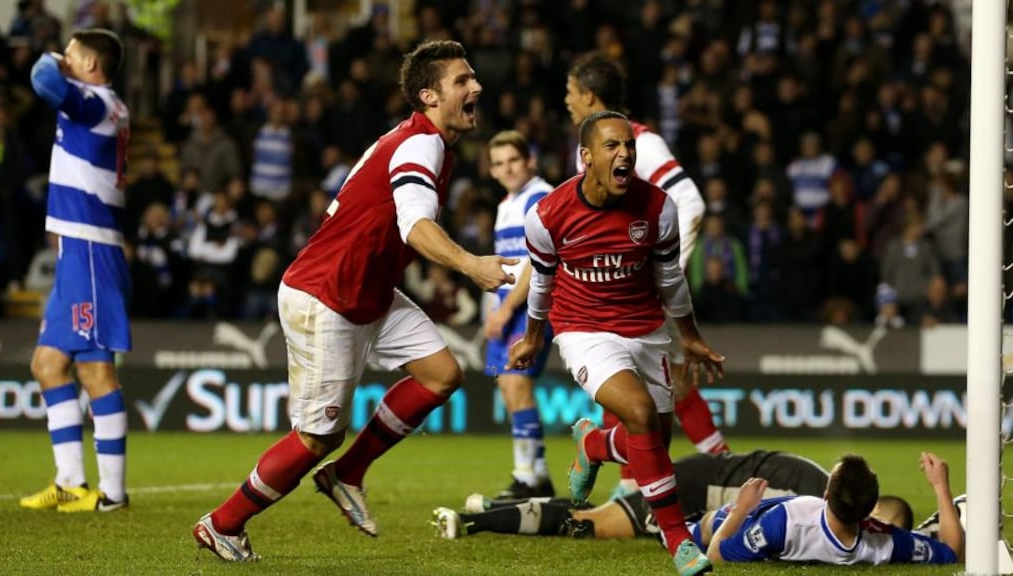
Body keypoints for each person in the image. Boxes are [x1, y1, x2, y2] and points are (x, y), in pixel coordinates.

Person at [192, 39, 517, 562]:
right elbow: (414, 226)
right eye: (463, 81)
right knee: (317, 437)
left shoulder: (427, 141)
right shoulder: (422, 145)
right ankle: (223, 524)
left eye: (473, 77)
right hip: (329, 295)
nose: (476, 86)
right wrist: (470, 264)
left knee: (441, 373)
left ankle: (348, 473)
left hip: (365, 290)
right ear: (429, 96)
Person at [507, 110, 724, 576]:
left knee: (655, 442)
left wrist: (690, 338)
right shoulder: (548, 216)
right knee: (641, 414)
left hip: (646, 328)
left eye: (629, 145)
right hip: (583, 329)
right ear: (585, 157)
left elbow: (670, 279)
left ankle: (595, 445)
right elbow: (542, 285)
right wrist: (533, 336)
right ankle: (678, 540)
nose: (624, 153)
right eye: (612, 146)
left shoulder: (658, 207)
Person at [565, 52, 726, 500]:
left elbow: (690, 203)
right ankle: (640, 483)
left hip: (644, 289)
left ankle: (631, 476)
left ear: (590, 96)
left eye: (570, 92)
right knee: (646, 385)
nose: (566, 101)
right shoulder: (593, 149)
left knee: (660, 387)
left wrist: (660, 273)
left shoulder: (641, 143)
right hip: (615, 289)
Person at [19, 29, 131, 513]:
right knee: (46, 364)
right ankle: (69, 480)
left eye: (72, 55)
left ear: (89, 66)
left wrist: (51, 58)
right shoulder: (102, 104)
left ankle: (112, 494)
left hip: (90, 250)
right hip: (76, 250)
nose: (64, 60)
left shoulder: (97, 101)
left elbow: (43, 79)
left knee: (94, 368)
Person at [431, 450, 830, 540]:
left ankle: (492, 508)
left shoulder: (822, 481)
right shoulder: (817, 503)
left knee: (599, 513)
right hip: (690, 489)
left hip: (701, 478)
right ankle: (474, 523)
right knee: (592, 524)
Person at [703, 452, 962, 565]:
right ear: (871, 508)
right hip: (764, 532)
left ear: (826, 495)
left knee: (702, 526)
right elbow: (951, 552)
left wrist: (742, 507)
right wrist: (941, 486)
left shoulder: (785, 521)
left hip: (727, 524)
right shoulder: (886, 542)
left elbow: (716, 555)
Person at [483, 129, 555, 498]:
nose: (507, 168)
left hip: (530, 309)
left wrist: (507, 309)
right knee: (510, 391)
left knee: (516, 384)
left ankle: (526, 478)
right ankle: (537, 474)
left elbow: (536, 263)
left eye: (513, 160)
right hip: (507, 310)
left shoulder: (540, 198)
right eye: (499, 163)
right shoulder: (506, 204)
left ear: (529, 160)